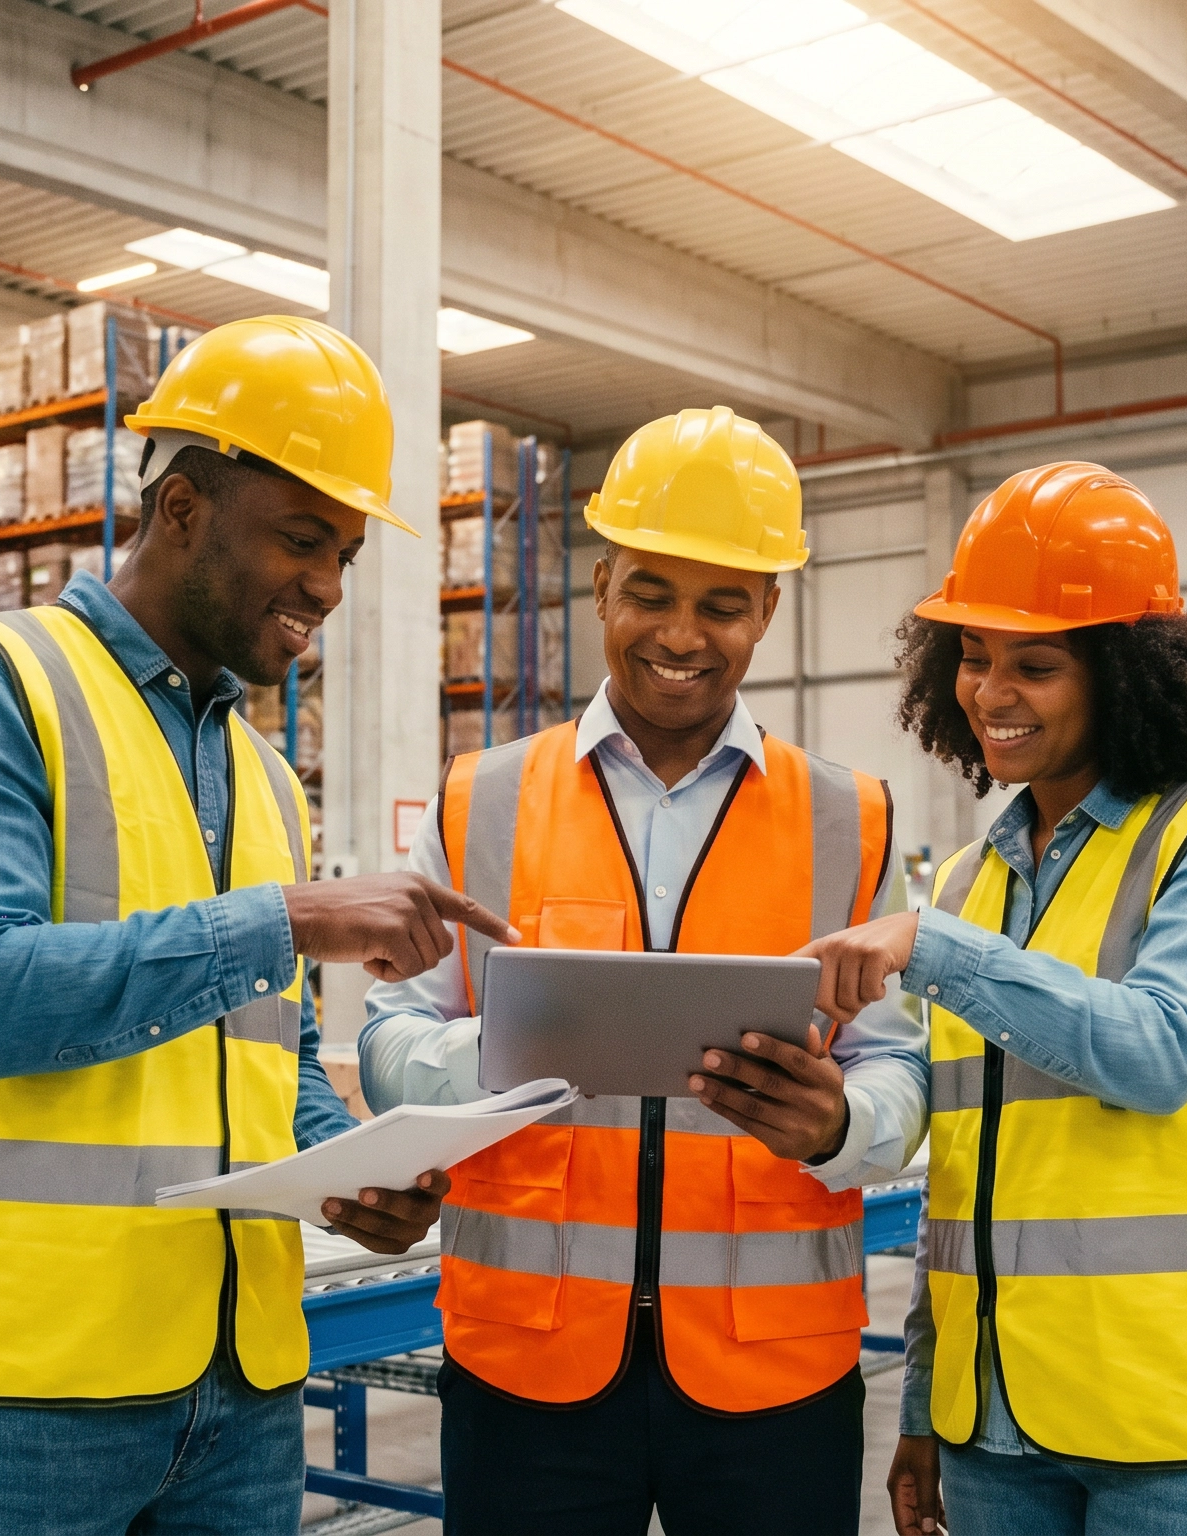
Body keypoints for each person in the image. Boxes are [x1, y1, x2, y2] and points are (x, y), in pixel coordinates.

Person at [0, 315, 515, 1536]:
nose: (326, 585)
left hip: (237, 1383)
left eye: (347, 556)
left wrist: (352, 1171)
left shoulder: (264, 777)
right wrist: (289, 918)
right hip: (12, 1390)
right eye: (302, 539)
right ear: (185, 507)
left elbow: (263, 1056)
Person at [360, 406, 929, 1536]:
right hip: (530, 1369)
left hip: (773, 1380)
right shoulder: (481, 800)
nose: (682, 633)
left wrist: (836, 1126)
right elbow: (384, 1044)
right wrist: (509, 1055)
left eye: (723, 605)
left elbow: (903, 1074)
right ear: (601, 584)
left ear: (767, 608)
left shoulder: (847, 819)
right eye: (651, 593)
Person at [795, 462, 1187, 1535]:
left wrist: (938, 952)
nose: (990, 694)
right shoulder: (963, 884)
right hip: (998, 1429)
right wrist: (924, 1403)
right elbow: (963, 1176)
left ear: (1126, 674)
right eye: (974, 658)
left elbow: (1158, 1052)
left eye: (1034, 665)